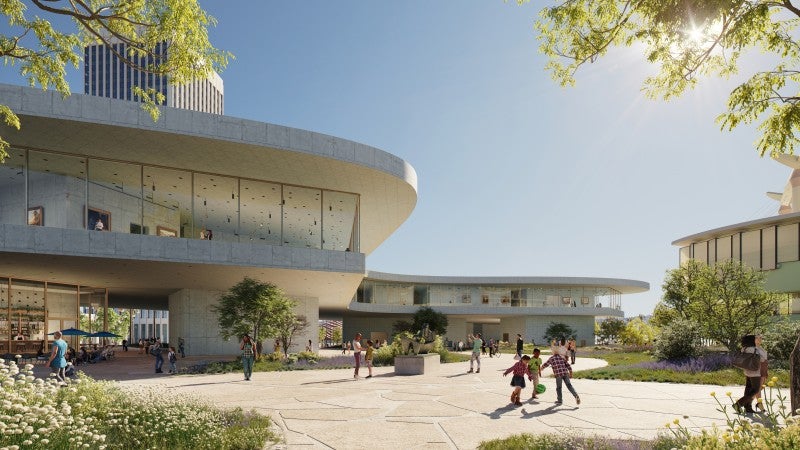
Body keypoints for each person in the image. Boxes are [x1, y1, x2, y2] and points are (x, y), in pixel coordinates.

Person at [735, 334, 767, 414]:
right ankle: (738, 404)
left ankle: (748, 407)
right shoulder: (754, 349)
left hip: (747, 371)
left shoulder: (744, 348)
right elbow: (763, 359)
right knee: (755, 389)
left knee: (748, 389)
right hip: (755, 372)